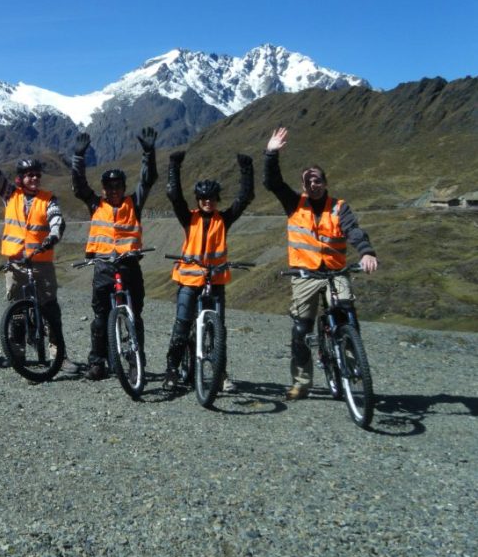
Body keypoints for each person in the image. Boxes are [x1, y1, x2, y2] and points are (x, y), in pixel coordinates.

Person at [263, 127, 378, 400]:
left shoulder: (339, 207)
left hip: (336, 272)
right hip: (304, 275)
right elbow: (272, 182)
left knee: (345, 313)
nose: (313, 185)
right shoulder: (294, 203)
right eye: (308, 182)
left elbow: (354, 231)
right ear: (303, 185)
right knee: (301, 330)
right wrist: (270, 153)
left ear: (325, 183)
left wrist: (366, 251)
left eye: (318, 181)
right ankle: (301, 383)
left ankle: (352, 370)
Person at [0, 130, 77, 374]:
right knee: (17, 310)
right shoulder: (11, 195)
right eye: (29, 175)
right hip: (16, 262)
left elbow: (56, 219)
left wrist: (53, 235)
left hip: (41, 262)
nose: (34, 179)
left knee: (51, 309)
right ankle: (17, 351)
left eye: (37, 175)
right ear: (20, 178)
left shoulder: (48, 199)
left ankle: (59, 355)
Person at [71, 127, 158, 381]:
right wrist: (78, 158)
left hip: (130, 266)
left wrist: (148, 152)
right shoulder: (96, 204)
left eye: (118, 185)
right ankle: (97, 363)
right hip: (103, 268)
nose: (113, 190)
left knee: (135, 317)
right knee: (100, 319)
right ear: (104, 188)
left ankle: (135, 363)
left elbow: (148, 179)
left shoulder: (134, 202)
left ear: (123, 186)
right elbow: (78, 186)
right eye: (108, 186)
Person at [164, 151, 254, 392]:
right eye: (203, 198)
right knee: (182, 326)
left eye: (212, 197)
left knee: (218, 331)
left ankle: (220, 373)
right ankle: (171, 370)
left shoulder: (223, 219)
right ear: (197, 199)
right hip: (189, 280)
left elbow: (244, 198)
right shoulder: (188, 218)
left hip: (215, 280)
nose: (208, 201)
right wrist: (174, 165)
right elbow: (174, 195)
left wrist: (247, 169)